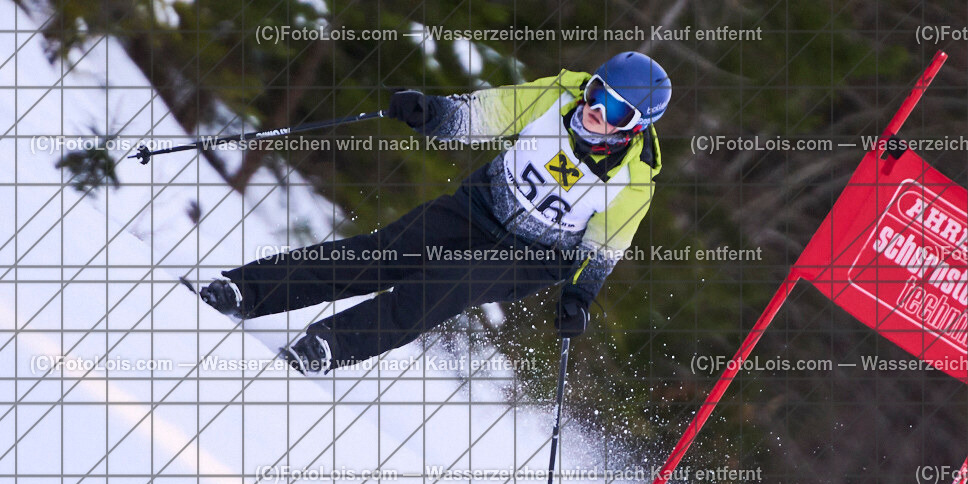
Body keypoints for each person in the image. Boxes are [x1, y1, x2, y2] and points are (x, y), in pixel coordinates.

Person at [199, 51, 671, 374]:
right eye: (597, 93)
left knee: (445, 285)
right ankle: (246, 290)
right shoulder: (558, 97)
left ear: (635, 128)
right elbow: (487, 113)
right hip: (480, 205)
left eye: (616, 111)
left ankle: (331, 344)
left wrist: (578, 297)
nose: (596, 110)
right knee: (384, 253)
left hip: (533, 255)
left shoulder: (634, 180)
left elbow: (602, 248)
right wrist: (432, 113)